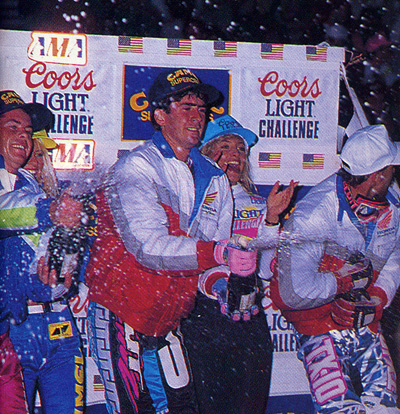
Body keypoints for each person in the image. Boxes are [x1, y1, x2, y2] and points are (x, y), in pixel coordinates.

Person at [85, 68, 256, 414]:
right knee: (133, 409)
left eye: (202, 109)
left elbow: (210, 262)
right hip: (123, 313)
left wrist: (227, 287)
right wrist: (218, 252)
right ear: (160, 115)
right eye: (187, 107)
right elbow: (150, 248)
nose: (198, 116)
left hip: (168, 317)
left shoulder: (215, 178)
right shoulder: (135, 169)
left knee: (182, 408)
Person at [271, 124, 400, 413]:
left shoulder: (392, 202)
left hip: (366, 323)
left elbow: (396, 254)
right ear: (378, 176)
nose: (394, 172)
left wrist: (379, 295)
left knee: (386, 409)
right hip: (317, 327)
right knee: (341, 411)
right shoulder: (313, 214)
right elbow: (291, 293)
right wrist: (341, 282)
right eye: (391, 167)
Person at [180, 114, 297, 414]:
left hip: (248, 320)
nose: (235, 155)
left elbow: (265, 268)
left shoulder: (259, 204)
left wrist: (271, 220)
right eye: (226, 146)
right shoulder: (188, 198)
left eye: (241, 149)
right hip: (201, 317)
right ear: (205, 152)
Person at [0, 90, 84, 414]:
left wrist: (63, 270)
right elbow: (6, 212)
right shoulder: (38, 199)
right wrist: (49, 210)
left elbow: (51, 252)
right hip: (16, 332)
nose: (24, 137)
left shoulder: (29, 184)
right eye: (13, 127)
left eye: (27, 131)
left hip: (53, 323)